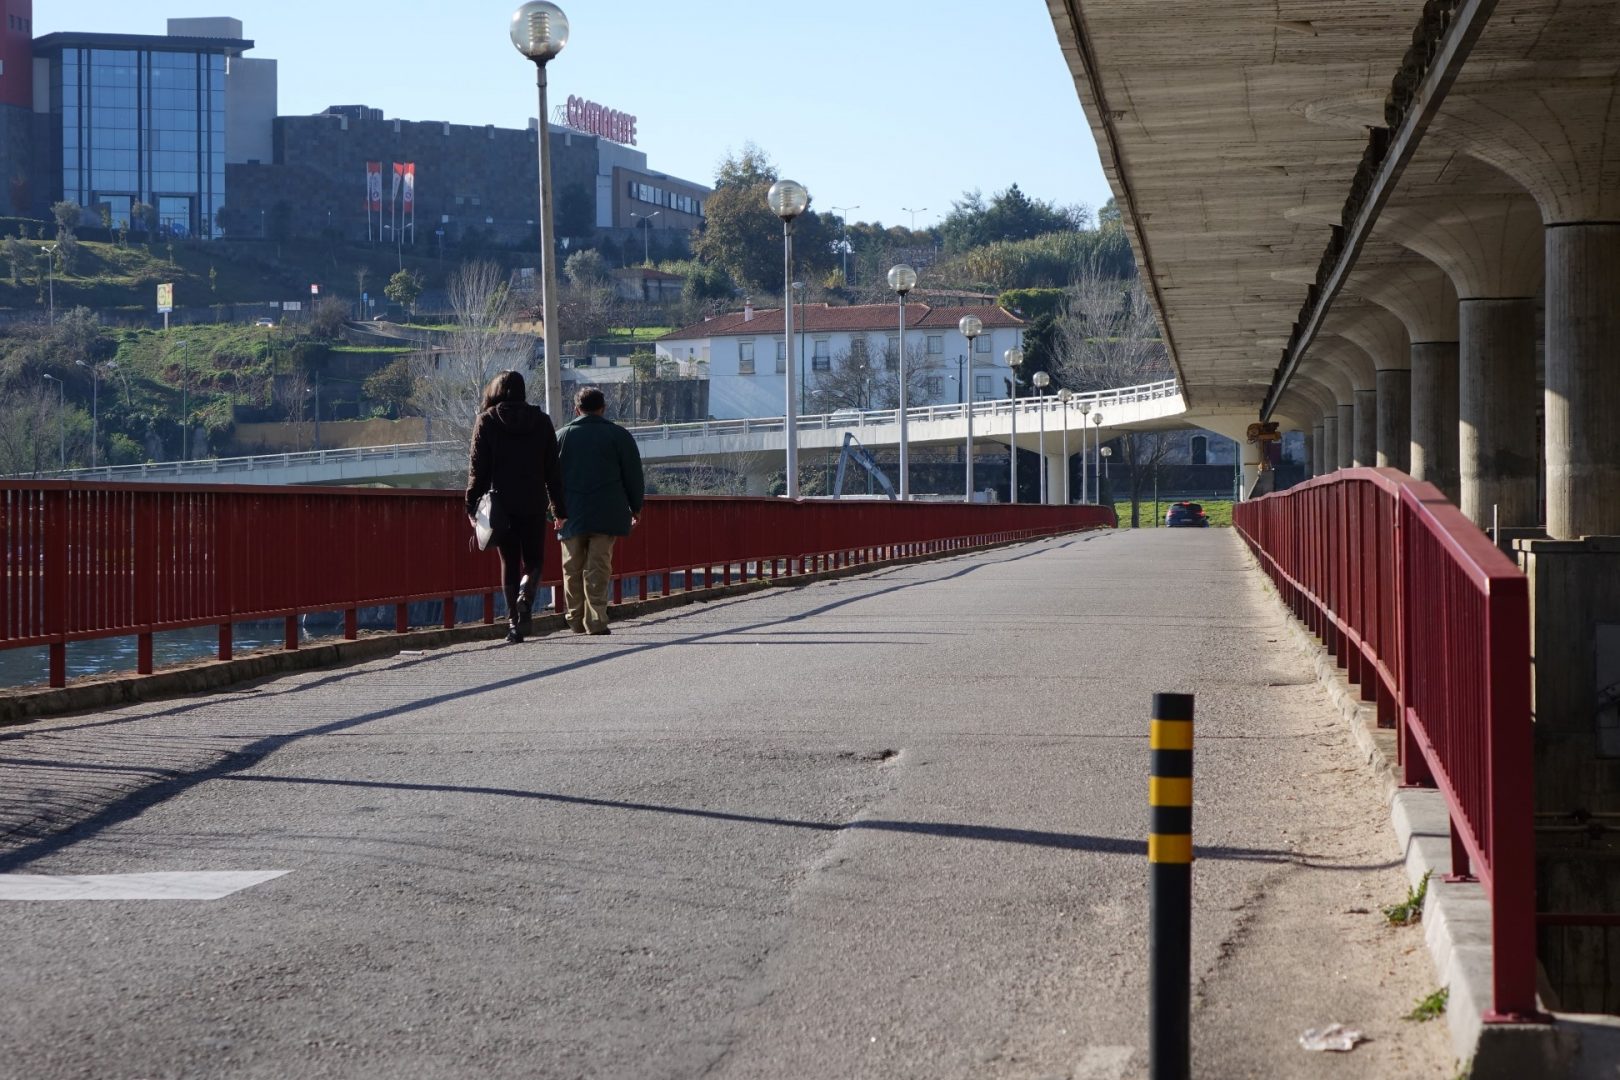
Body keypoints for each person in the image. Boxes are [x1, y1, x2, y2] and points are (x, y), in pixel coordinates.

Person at [465, 370, 567, 644]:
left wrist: (471, 505)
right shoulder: (542, 422)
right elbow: (552, 471)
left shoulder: (486, 421)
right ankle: (527, 594)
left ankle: (514, 623)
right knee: (534, 559)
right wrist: (559, 509)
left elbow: (478, 469)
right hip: (533, 501)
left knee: (509, 560)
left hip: (500, 504)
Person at [556, 385, 645, 636]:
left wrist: (553, 512)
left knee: (571, 567)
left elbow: (547, 479)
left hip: (570, 513)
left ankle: (574, 618)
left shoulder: (561, 437)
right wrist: (635, 506)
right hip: (607, 512)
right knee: (598, 567)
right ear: (602, 408)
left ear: (576, 409)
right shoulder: (619, 436)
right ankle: (595, 620)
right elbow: (633, 475)